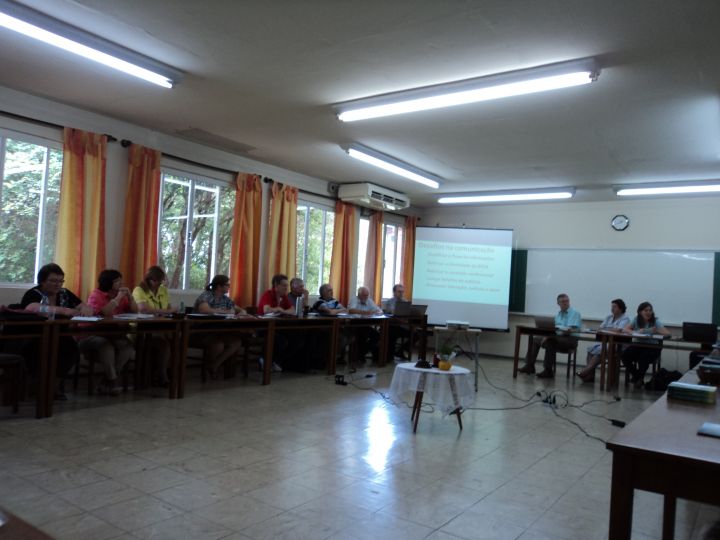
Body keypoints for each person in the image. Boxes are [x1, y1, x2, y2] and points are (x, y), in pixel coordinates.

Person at [19, 263, 93, 400]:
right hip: (37, 336)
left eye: (60, 281)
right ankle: (37, 387)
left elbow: (84, 306)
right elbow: (31, 307)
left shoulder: (65, 293)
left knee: (71, 350)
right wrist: (64, 310)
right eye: (53, 281)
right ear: (42, 281)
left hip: (60, 335)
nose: (57, 284)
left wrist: (85, 309)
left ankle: (53, 386)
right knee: (42, 351)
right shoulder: (34, 293)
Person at [80, 269, 138, 396]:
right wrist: (117, 298)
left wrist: (130, 296)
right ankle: (112, 381)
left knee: (127, 347)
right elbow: (103, 313)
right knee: (106, 346)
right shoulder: (96, 294)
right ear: (108, 283)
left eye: (120, 281)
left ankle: (107, 380)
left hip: (112, 333)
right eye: (117, 281)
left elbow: (135, 311)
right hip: (90, 334)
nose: (120, 283)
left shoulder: (122, 296)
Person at [192, 274, 246, 378]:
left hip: (219, 331)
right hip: (201, 331)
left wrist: (239, 314)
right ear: (219, 286)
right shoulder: (207, 295)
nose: (229, 287)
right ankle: (209, 368)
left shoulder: (225, 299)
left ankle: (214, 365)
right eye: (227, 285)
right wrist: (224, 312)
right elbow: (204, 310)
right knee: (218, 345)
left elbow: (241, 310)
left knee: (236, 342)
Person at [519, 293, 582, 378]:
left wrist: (550, 336)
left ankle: (548, 370)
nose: (565, 303)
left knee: (550, 341)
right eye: (562, 301)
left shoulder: (575, 313)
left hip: (570, 340)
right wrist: (548, 335)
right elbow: (554, 329)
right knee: (536, 339)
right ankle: (529, 366)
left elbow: (570, 330)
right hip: (557, 338)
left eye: (567, 301)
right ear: (558, 304)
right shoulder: (558, 315)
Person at [132, 266, 175, 386]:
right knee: (165, 343)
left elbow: (168, 307)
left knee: (176, 339)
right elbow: (143, 309)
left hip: (161, 326)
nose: (160, 285)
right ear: (151, 281)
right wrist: (168, 312)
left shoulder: (163, 290)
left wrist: (171, 311)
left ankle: (172, 373)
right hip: (142, 330)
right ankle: (162, 375)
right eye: (159, 282)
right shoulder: (139, 290)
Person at [576, 299, 630, 383]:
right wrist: (610, 329)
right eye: (611, 307)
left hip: (618, 345)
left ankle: (585, 371)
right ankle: (590, 376)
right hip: (606, 342)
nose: (612, 309)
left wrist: (608, 329)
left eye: (614, 307)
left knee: (600, 351)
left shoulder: (625, 318)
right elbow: (601, 328)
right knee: (590, 350)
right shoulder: (609, 317)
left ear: (621, 308)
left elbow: (618, 330)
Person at [621, 301, 671, 389]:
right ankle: (638, 377)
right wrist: (635, 332)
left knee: (643, 358)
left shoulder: (655, 321)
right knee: (625, 355)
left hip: (652, 347)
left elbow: (668, 333)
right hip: (638, 345)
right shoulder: (636, 319)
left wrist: (657, 331)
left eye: (650, 310)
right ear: (640, 312)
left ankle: (638, 379)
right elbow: (625, 329)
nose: (648, 312)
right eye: (646, 310)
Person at [257, 274, 294, 371]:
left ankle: (277, 361)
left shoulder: (284, 297)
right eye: (284, 285)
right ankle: (265, 360)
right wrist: (278, 308)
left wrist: (281, 310)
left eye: (287, 285)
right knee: (279, 339)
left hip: (278, 326)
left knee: (297, 336)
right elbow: (266, 310)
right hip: (263, 327)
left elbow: (293, 310)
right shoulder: (268, 294)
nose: (286, 288)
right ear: (276, 286)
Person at [348, 286, 383, 366]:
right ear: (359, 295)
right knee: (362, 336)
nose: (366, 297)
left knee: (377, 335)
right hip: (353, 324)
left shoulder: (369, 300)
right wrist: (365, 312)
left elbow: (378, 309)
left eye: (367, 295)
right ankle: (359, 355)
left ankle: (361, 354)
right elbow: (351, 310)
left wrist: (379, 312)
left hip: (365, 324)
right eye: (364, 295)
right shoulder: (354, 299)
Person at [383, 283, 411, 360]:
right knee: (392, 333)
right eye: (399, 291)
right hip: (392, 325)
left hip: (402, 325)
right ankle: (390, 355)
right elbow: (390, 312)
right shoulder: (389, 302)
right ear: (394, 292)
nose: (401, 293)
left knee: (416, 334)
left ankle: (400, 351)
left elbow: (408, 313)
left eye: (402, 291)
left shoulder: (406, 301)